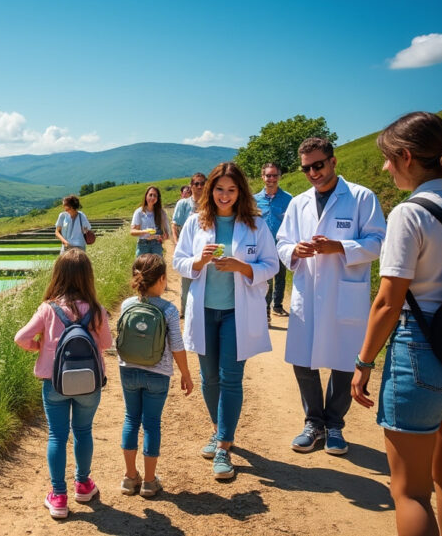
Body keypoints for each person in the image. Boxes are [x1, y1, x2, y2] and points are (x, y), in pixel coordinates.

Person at [350, 112, 442, 536]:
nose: (385, 168)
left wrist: (363, 363)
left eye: (387, 159)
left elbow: (387, 301)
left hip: (421, 353)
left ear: (406, 156)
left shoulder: (409, 213)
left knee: (411, 492)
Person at [276, 137, 386, 456]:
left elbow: (378, 242)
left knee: (344, 359)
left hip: (344, 292)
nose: (312, 172)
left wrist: (340, 247)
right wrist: (294, 250)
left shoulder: (361, 197)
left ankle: (335, 424)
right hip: (308, 291)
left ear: (334, 162)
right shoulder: (299, 203)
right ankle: (313, 423)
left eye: (318, 165)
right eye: (306, 168)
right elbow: (282, 242)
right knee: (302, 358)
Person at [173, 162, 279, 480]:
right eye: (219, 189)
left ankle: (223, 446)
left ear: (241, 192)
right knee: (209, 379)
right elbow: (178, 261)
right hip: (205, 310)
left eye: (232, 190)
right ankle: (219, 428)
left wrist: (243, 267)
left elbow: (271, 264)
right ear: (210, 190)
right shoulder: (196, 223)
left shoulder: (255, 225)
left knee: (230, 378)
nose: (225, 195)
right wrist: (198, 260)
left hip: (237, 312)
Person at [14, 248, 114, 519]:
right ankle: (83, 484)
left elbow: (20, 338)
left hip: (54, 382)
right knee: (83, 431)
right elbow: (106, 343)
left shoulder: (48, 309)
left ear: (58, 275)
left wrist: (40, 347)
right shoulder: (95, 310)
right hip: (89, 383)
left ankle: (58, 496)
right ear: (87, 277)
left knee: (57, 435)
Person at [118, 254, 194, 498]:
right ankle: (149, 482)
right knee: (151, 424)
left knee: (131, 419)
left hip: (128, 369)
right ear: (161, 279)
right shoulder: (169, 309)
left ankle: (130, 478)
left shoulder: (127, 305)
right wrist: (186, 374)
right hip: (158, 374)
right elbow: (177, 346)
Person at [253, 162, 294, 323]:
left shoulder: (288, 199)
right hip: (262, 247)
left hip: (281, 245)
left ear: (279, 176)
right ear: (263, 177)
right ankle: (265, 311)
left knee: (281, 276)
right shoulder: (254, 200)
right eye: (268, 175)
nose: (271, 179)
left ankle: (277, 305)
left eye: (274, 175)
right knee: (267, 280)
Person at [173, 173, 207, 318]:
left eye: (202, 183)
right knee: (187, 286)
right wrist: (176, 244)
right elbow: (175, 225)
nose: (199, 187)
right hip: (188, 251)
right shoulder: (183, 204)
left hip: (205, 252)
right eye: (196, 184)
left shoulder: (210, 204)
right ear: (191, 185)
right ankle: (186, 314)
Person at [130, 186, 174, 257]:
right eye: (150, 195)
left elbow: (167, 234)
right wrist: (145, 232)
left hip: (156, 245)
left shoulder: (161, 213)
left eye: (155, 195)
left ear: (157, 198)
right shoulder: (139, 212)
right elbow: (132, 232)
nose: (152, 197)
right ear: (146, 196)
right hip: (142, 245)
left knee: (157, 267)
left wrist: (161, 236)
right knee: (142, 267)